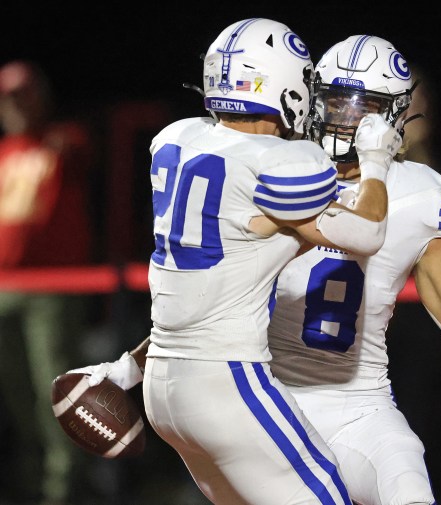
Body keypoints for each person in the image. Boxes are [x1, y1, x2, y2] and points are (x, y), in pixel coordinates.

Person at [74, 34, 441, 505]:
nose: (348, 119)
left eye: (367, 108)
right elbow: (214, 302)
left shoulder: (421, 192)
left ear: (398, 116)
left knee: (409, 489)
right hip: (263, 397)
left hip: (361, 406)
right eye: (337, 101)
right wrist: (130, 367)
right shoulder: (279, 167)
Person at [70, 18, 404, 505]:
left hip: (164, 383)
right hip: (226, 381)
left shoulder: (178, 140)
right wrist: (375, 161)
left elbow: (206, 299)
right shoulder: (275, 162)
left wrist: (128, 369)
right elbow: (368, 232)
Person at [0, 60, 94, 505]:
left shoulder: (62, 141)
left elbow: (83, 153)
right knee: (16, 393)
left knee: (51, 389)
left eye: (23, 94)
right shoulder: (4, 153)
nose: (14, 104)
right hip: (5, 287)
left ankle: (64, 489)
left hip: (52, 288)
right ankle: (34, 479)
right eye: (7, 97)